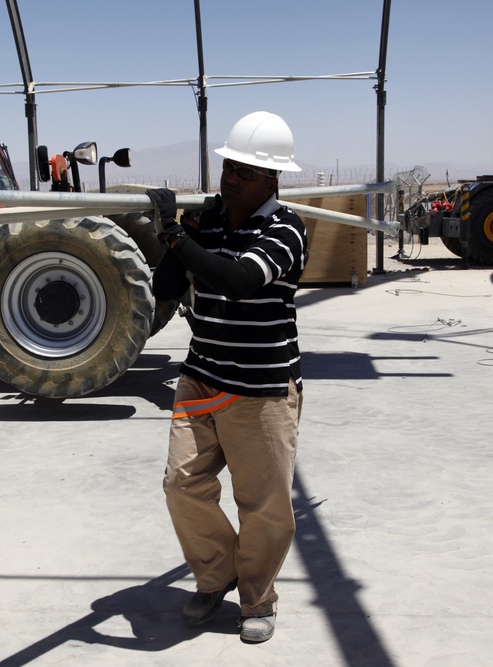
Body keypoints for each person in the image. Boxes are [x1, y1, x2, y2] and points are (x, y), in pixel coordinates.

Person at [147, 111, 307, 645]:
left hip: (260, 391)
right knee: (181, 484)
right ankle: (218, 576)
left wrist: (176, 235)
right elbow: (166, 287)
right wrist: (176, 236)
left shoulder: (287, 230)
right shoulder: (209, 221)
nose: (231, 178)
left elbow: (238, 280)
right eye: (228, 167)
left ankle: (257, 599)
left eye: (245, 171)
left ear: (272, 180)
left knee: (262, 505)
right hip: (201, 379)